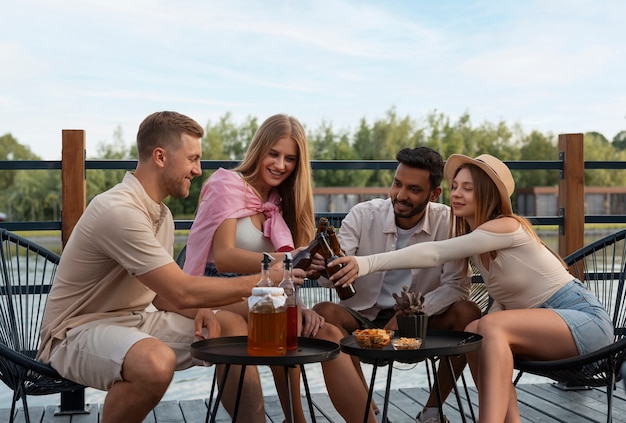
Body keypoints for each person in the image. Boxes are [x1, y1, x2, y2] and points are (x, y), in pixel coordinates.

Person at [37, 111, 301, 423]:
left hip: (135, 321)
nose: (198, 170)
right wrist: (268, 278)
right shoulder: (119, 211)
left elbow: (162, 296)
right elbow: (180, 290)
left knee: (231, 326)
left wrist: (198, 309)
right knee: (155, 361)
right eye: (192, 159)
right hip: (74, 332)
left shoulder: (161, 214)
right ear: (160, 156)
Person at [328, 153, 614, 423]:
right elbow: (505, 303)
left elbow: (435, 253)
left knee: (489, 327)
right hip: (541, 328)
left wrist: (365, 263)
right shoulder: (478, 241)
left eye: (468, 188)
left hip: (583, 321)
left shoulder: (506, 227)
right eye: (454, 186)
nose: (456, 194)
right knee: (475, 331)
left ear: (488, 194)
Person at [183, 113, 376, 423]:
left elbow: (287, 276)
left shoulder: (280, 201)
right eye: (274, 154)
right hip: (217, 289)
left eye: (290, 158)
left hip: (267, 293)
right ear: (259, 149)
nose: (280, 164)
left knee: (327, 332)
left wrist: (303, 274)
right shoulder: (227, 184)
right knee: (282, 319)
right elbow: (225, 257)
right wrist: (284, 261)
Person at [313, 146, 481, 423]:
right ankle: (365, 410)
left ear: (434, 193)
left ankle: (431, 411)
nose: (400, 196)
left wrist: (411, 314)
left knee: (468, 313)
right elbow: (332, 276)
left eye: (413, 189)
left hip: (420, 322)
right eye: (397, 184)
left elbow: (456, 287)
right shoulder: (362, 214)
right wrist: (326, 269)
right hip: (363, 319)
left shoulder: (450, 222)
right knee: (322, 313)